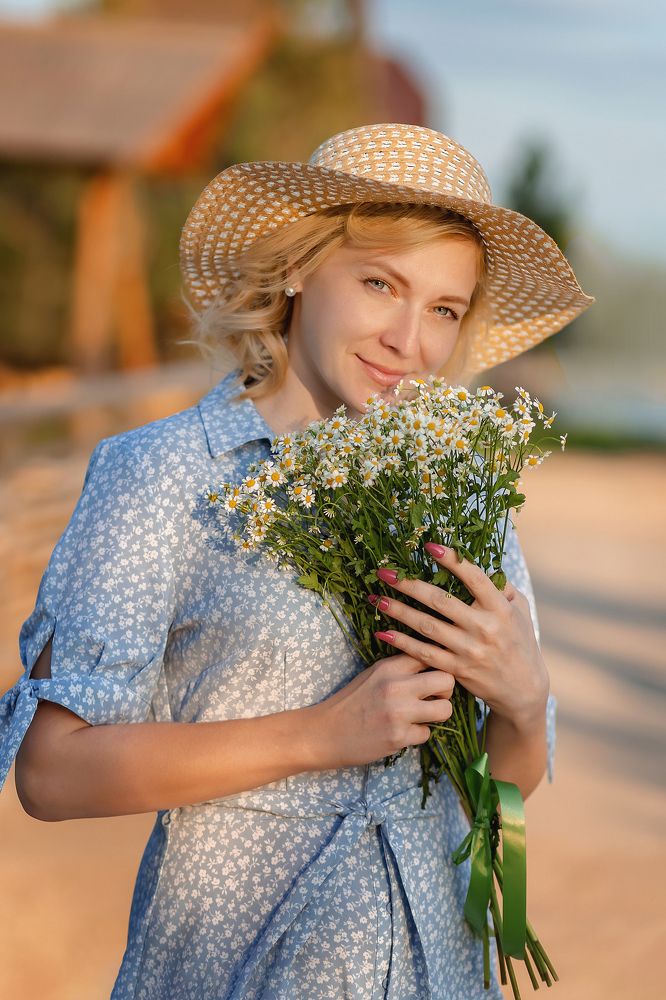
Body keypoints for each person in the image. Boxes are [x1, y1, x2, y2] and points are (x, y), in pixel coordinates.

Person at [0, 123, 593, 999]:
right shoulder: (162, 473)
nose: (409, 340)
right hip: (231, 969)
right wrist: (322, 737)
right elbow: (49, 773)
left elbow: (499, 793)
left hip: (438, 971)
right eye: (380, 283)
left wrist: (522, 696)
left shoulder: (458, 488)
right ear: (297, 268)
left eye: (443, 309)